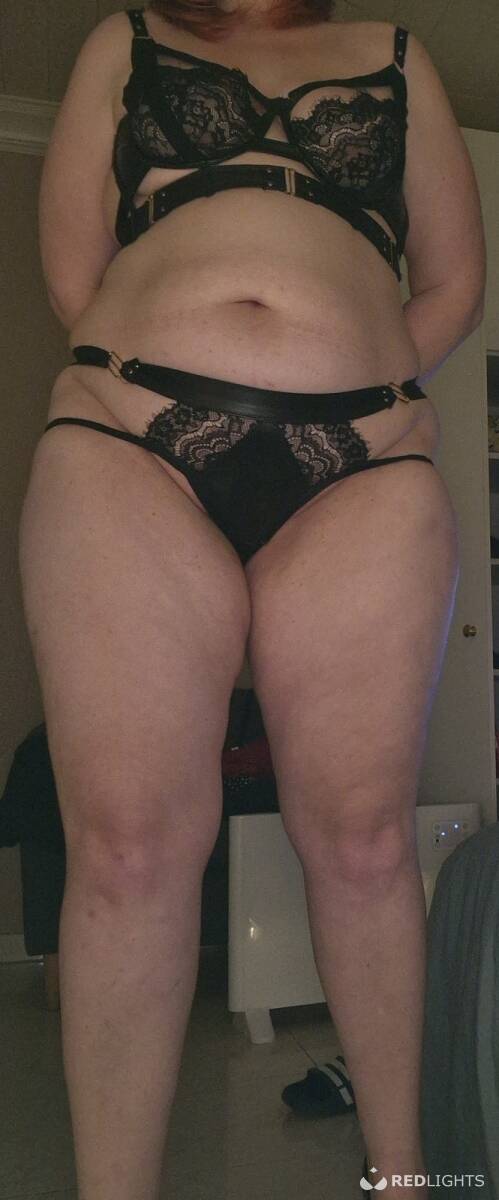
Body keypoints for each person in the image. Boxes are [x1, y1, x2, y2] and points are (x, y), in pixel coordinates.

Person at [18, 0, 486, 1195]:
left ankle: (400, 1181)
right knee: (126, 852)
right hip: (134, 434)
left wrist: (371, 380)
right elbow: (74, 272)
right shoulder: (124, 39)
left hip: (361, 461)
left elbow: (451, 281)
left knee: (366, 842)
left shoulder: (395, 52)